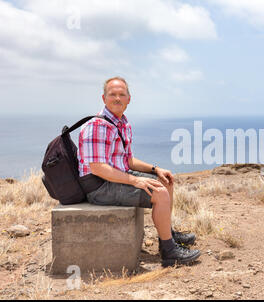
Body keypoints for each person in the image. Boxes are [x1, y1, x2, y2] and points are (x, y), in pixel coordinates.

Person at [77, 76, 201, 267]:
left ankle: (167, 235)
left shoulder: (121, 123)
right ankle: (170, 253)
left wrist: (155, 169)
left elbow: (127, 161)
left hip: (114, 179)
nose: (117, 98)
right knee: (158, 192)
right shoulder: (97, 126)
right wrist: (136, 181)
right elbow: (98, 168)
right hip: (99, 187)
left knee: (165, 181)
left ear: (129, 98)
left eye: (121, 94)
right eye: (112, 95)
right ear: (104, 98)